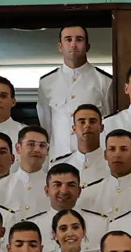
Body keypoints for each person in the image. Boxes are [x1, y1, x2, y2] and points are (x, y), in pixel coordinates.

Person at [36, 26, 113, 158]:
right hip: (59, 158)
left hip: (93, 158)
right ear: (60, 46)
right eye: (68, 39)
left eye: (79, 39)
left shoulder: (104, 81)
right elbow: (46, 128)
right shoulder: (47, 82)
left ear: (87, 46)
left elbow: (109, 124)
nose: (73, 44)